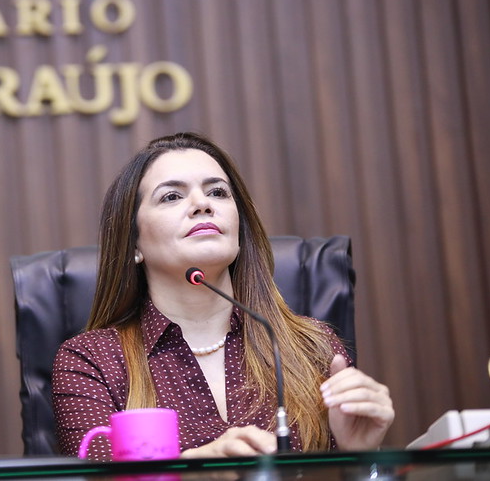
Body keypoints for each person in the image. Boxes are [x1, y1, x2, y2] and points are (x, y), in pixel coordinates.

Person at [51, 132, 394, 460]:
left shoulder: (314, 348)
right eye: (172, 196)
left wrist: (359, 455)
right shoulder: (91, 362)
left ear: (239, 230)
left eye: (217, 193)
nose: (202, 204)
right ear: (134, 243)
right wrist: (194, 472)